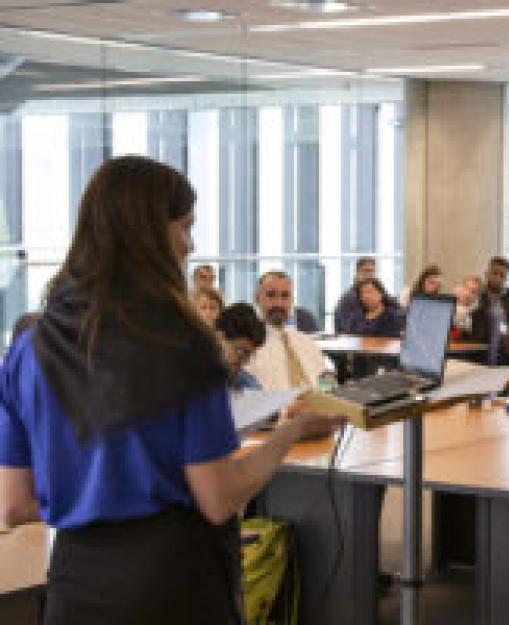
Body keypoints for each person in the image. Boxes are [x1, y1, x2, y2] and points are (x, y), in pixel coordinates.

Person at [0, 155, 336, 625]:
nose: (189, 244)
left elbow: (16, 504)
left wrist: (96, 493)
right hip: (172, 581)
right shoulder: (183, 345)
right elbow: (218, 499)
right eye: (184, 226)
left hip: (75, 581)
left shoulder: (29, 349)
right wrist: (291, 432)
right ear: (149, 234)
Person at [247, 270, 331, 391]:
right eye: (271, 295)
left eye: (285, 296)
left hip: (318, 407)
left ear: (292, 300)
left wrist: (332, 398)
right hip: (276, 408)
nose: (278, 303)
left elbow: (327, 381)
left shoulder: (306, 341)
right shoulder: (249, 346)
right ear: (257, 299)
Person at [215, 302, 267, 391]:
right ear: (219, 338)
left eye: (250, 354)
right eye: (241, 352)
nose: (246, 361)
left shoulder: (250, 385)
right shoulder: (192, 383)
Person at [335, 257, 376, 333]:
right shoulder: (348, 299)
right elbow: (347, 329)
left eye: (373, 271)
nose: (370, 275)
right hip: (352, 342)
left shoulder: (379, 298)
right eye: (366, 271)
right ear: (357, 273)